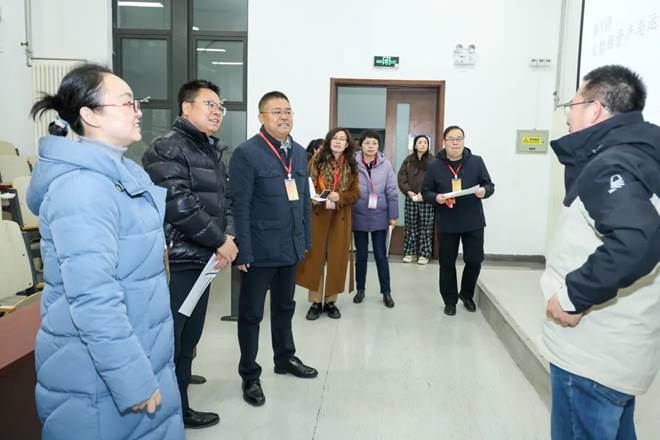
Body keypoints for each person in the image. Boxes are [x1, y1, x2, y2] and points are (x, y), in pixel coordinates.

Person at [27, 63, 184, 439]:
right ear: (90, 115)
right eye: (127, 103)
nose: (138, 111)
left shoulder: (123, 175)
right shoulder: (82, 189)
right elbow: (93, 299)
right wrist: (133, 379)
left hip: (140, 354)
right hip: (99, 382)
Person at [542, 65, 660, 440]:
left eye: (572, 105)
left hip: (592, 353)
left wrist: (573, 296)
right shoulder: (643, 155)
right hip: (622, 345)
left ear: (595, 110)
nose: (568, 115)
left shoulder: (610, 163)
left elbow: (638, 240)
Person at [142, 79, 236, 429]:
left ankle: (181, 381)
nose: (217, 111)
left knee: (190, 332)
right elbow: (178, 205)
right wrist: (219, 240)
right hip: (180, 260)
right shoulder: (168, 147)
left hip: (204, 257)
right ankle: (175, 408)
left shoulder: (209, 149)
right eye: (209, 104)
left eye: (220, 107)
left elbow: (225, 200)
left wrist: (228, 236)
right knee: (174, 334)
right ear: (186, 107)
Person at [229, 91, 317, 407]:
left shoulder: (300, 153)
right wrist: (243, 251)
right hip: (259, 250)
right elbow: (239, 206)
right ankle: (250, 374)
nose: (284, 117)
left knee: (284, 307)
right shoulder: (246, 153)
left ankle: (284, 358)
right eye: (276, 111)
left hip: (289, 248)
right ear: (262, 117)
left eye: (288, 111)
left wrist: (304, 240)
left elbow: (303, 201)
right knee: (251, 314)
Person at [422, 125, 494, 316]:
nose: (455, 142)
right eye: (451, 139)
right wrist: (436, 197)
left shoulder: (476, 162)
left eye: (459, 138)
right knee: (447, 264)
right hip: (448, 223)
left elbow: (489, 185)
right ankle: (450, 300)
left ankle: (467, 295)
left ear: (463, 141)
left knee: (474, 261)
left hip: (473, 222)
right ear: (444, 142)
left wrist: (484, 191)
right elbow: (426, 191)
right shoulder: (435, 166)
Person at [296, 128, 360, 320]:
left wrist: (340, 196)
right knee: (315, 259)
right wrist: (314, 198)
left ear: (347, 144)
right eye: (335, 138)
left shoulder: (351, 165)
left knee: (336, 260)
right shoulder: (315, 161)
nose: (338, 142)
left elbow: (356, 193)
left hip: (340, 217)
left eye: (342, 139)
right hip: (318, 215)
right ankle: (315, 302)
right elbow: (305, 187)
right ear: (329, 141)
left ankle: (331, 301)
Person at [352, 130, 399, 308]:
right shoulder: (352, 162)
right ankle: (360, 289)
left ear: (379, 146)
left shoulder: (386, 164)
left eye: (374, 143)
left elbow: (392, 190)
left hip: (380, 214)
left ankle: (386, 292)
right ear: (361, 145)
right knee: (361, 255)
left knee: (381, 255)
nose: (370, 146)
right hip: (359, 214)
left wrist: (393, 216)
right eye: (367, 143)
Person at [397, 134, 435, 265]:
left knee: (426, 227)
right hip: (411, 198)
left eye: (425, 142)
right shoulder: (408, 160)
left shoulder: (433, 161)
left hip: (427, 199)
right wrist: (409, 191)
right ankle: (410, 253)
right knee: (410, 226)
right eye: (420, 142)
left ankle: (424, 254)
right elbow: (401, 178)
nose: (423, 145)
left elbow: (436, 180)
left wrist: (424, 194)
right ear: (415, 145)